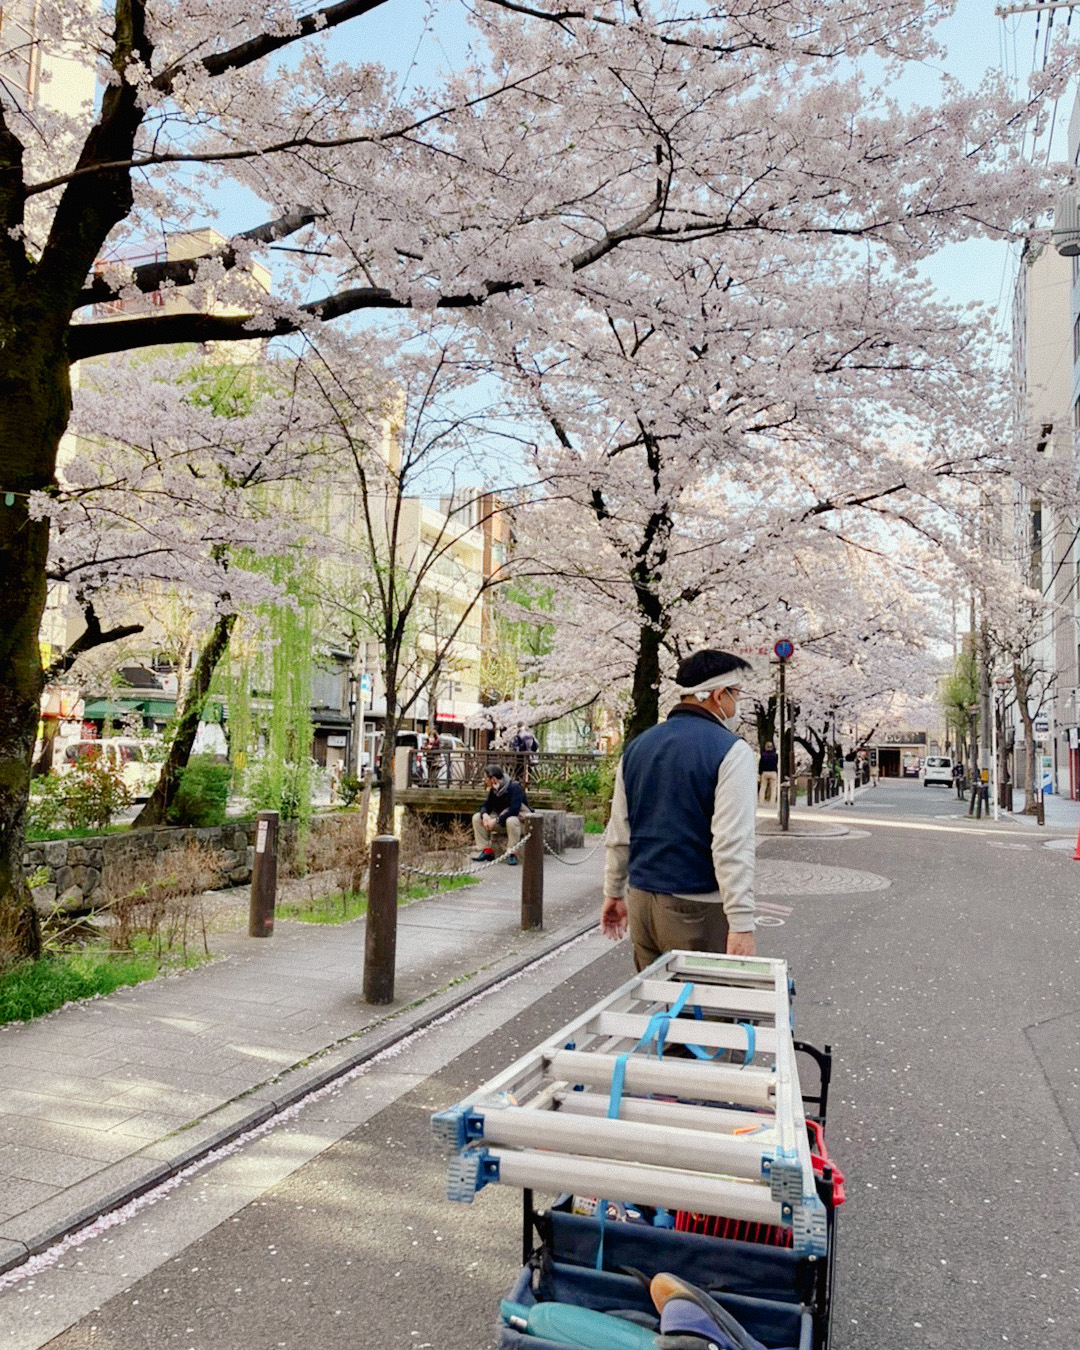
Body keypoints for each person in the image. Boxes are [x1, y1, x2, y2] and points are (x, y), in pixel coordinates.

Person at [601, 648, 758, 970]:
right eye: (736, 694)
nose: (736, 704)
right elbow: (732, 843)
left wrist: (614, 892)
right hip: (697, 907)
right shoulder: (731, 751)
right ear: (718, 695)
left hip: (642, 899)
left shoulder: (637, 747)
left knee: (662, 1007)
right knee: (708, 1011)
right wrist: (741, 923)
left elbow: (619, 832)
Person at [472, 764, 531, 866]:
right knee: (477, 817)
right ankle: (487, 850)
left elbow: (514, 810)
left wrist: (496, 820)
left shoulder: (515, 788)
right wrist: (485, 814)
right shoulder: (494, 790)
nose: (484, 781)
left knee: (511, 820)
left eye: (486, 778)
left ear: (493, 779)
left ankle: (512, 853)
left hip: (520, 823)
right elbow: (486, 805)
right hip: (503, 822)